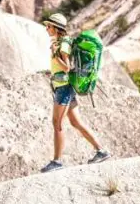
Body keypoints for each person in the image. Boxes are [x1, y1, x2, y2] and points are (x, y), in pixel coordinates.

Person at [39, 13, 110, 173]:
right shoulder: (59, 42)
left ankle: (57, 162)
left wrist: (56, 55)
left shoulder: (62, 44)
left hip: (64, 88)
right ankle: (101, 151)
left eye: (49, 26)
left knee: (57, 123)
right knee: (76, 123)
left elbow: (67, 67)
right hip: (62, 86)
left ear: (56, 28)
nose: (46, 28)